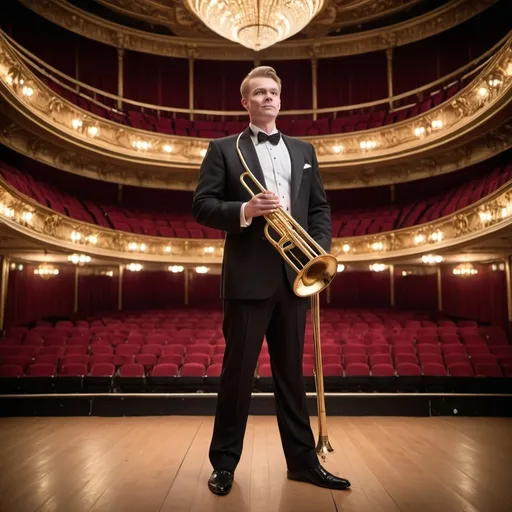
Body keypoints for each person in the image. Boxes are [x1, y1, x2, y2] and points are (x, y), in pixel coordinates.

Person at [192, 66, 351, 495]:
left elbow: (319, 208)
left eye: (274, 92)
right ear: (244, 102)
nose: (268, 98)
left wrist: (316, 249)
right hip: (248, 278)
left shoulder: (303, 150)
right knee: (238, 375)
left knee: (290, 377)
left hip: (295, 275)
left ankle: (302, 462)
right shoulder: (223, 149)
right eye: (259, 93)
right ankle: (224, 463)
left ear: (281, 99)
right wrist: (245, 210)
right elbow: (202, 206)